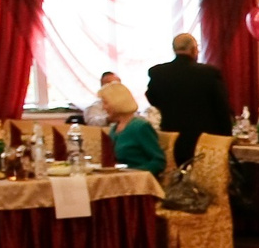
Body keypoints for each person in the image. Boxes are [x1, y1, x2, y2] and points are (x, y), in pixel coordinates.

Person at [144, 33, 231, 165]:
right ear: (193, 50)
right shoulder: (209, 73)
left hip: (172, 138)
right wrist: (226, 138)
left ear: (174, 49)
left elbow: (152, 99)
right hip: (204, 140)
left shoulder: (158, 73)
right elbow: (222, 108)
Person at [98, 82, 165, 175]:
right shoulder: (114, 129)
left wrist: (135, 173)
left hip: (138, 180)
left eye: (105, 103)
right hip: (119, 178)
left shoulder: (140, 127)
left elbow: (158, 161)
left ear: (116, 102)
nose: (103, 107)